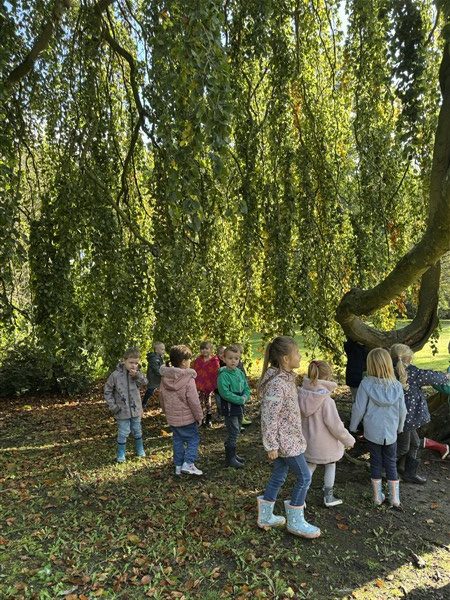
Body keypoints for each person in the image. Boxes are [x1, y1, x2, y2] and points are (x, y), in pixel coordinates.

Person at [258, 336, 320, 538]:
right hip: (286, 443)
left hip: (289, 439)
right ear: (285, 359)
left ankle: (266, 516)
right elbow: (269, 416)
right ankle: (295, 521)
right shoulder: (277, 384)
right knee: (304, 477)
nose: (300, 356)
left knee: (279, 475)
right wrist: (271, 445)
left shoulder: (286, 378)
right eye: (297, 353)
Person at [350, 348, 406, 509]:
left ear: (370, 364)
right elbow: (403, 410)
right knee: (391, 463)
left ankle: (377, 497)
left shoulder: (366, 383)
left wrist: (353, 427)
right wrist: (400, 427)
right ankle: (395, 499)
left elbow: (359, 408)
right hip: (391, 431)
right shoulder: (397, 385)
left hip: (372, 431)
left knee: (375, 462)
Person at [298, 360, 355, 507]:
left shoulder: (301, 395)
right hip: (325, 444)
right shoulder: (327, 402)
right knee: (331, 465)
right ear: (328, 378)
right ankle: (328, 497)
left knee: (309, 467)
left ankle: (300, 498)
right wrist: (349, 440)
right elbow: (335, 426)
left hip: (307, 442)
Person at [390, 343, 450, 483]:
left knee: (415, 443)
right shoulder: (412, 372)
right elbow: (431, 377)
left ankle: (409, 473)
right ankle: (383, 469)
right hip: (407, 418)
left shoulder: (389, 371)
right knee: (403, 447)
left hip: (397, 415)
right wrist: (446, 376)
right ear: (409, 358)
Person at [159, 345, 204, 476]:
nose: (190, 361)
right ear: (184, 362)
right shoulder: (188, 379)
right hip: (187, 418)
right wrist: (199, 416)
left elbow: (161, 397)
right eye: (189, 359)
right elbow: (194, 401)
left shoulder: (165, 378)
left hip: (172, 418)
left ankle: (178, 466)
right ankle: (188, 463)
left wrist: (166, 412)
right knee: (193, 439)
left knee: (177, 440)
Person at [104, 347, 148, 463]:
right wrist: (113, 406)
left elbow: (145, 383)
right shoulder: (115, 375)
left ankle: (139, 449)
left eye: (136, 363)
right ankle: (121, 453)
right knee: (123, 432)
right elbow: (107, 391)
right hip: (121, 410)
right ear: (124, 361)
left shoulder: (137, 374)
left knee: (137, 429)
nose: (133, 365)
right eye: (131, 362)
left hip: (136, 409)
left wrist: (137, 375)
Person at [217, 344, 251, 469]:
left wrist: (245, 397)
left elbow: (247, 388)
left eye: (236, 358)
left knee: (238, 428)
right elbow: (224, 393)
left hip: (240, 406)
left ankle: (233, 454)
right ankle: (230, 458)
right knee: (234, 430)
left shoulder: (240, 373)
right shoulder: (223, 375)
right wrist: (239, 399)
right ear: (224, 359)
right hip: (230, 407)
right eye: (230, 358)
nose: (233, 361)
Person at [191, 341, 220, 427]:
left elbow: (215, 372)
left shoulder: (214, 360)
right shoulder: (198, 360)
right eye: (202, 349)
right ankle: (201, 418)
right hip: (199, 385)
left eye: (206, 348)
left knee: (208, 402)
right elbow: (195, 371)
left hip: (209, 385)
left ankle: (209, 418)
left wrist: (214, 383)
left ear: (211, 349)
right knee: (200, 402)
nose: (204, 351)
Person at [344, 337, 369, 402]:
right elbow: (347, 345)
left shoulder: (366, 348)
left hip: (363, 378)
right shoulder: (351, 346)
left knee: (362, 401)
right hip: (354, 379)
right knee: (357, 400)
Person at [143, 342, 165, 408]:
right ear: (156, 350)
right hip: (153, 378)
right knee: (150, 391)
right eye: (162, 349)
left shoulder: (159, 358)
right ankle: (143, 403)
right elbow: (157, 370)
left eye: (164, 349)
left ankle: (161, 403)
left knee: (162, 390)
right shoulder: (154, 359)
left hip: (158, 378)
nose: (163, 351)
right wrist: (164, 373)